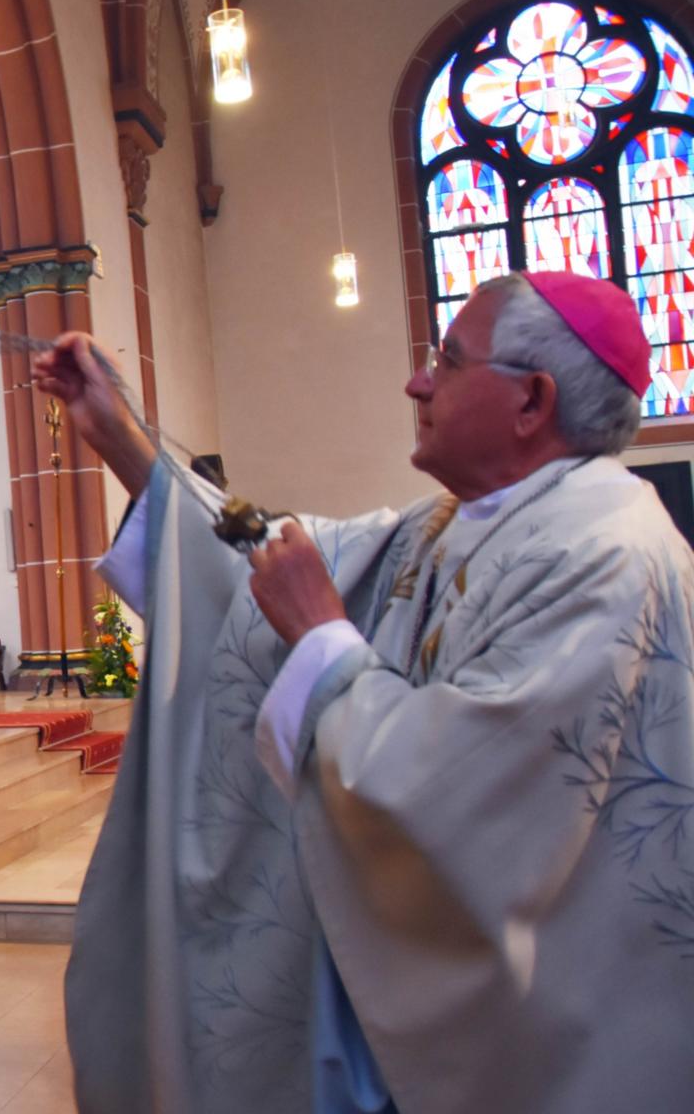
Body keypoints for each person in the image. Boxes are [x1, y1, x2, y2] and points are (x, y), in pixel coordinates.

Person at [37, 271, 694, 1113]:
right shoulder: (451, 523)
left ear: (532, 401)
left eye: (448, 362)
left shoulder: (601, 551)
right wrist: (123, 440)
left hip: (545, 1047)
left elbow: (458, 810)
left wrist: (321, 638)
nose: (418, 381)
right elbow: (262, 558)